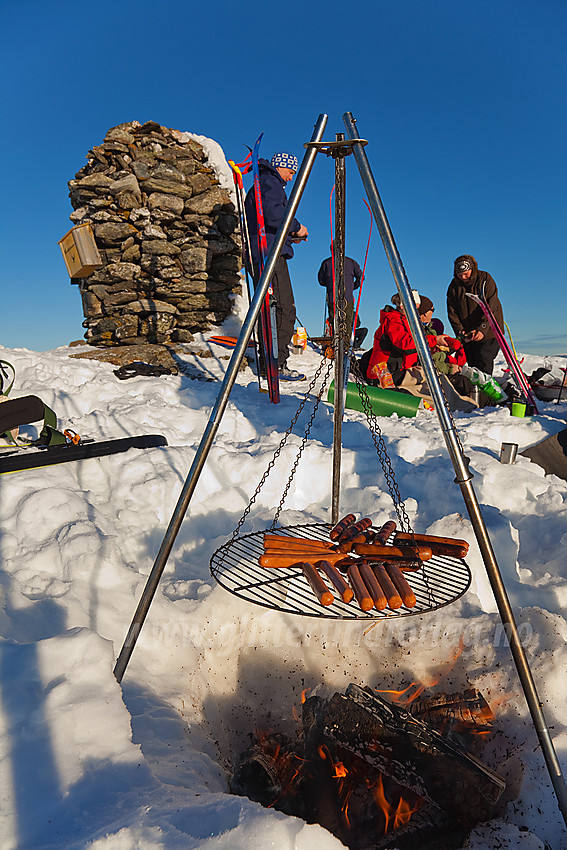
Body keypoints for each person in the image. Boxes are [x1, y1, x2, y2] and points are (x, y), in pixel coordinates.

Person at [244, 151, 308, 381]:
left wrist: (290, 236)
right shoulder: (270, 183)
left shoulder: (263, 183)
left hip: (264, 250)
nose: (291, 178)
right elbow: (273, 214)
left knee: (271, 309)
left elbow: (267, 219)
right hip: (269, 254)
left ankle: (269, 360)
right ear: (280, 167)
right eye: (290, 172)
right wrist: (297, 227)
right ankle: (276, 363)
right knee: (284, 308)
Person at [360, 291, 477, 412]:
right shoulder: (393, 321)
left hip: (398, 370)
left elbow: (411, 348)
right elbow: (405, 345)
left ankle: (461, 403)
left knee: (435, 377)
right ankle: (453, 406)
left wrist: (431, 348)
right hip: (384, 374)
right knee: (429, 384)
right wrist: (434, 340)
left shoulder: (404, 321)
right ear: (403, 306)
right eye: (414, 307)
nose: (416, 311)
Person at [446, 255, 504, 375]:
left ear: (472, 269)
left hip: (489, 331)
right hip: (469, 333)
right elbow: (452, 312)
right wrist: (460, 331)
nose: (463, 277)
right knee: (473, 363)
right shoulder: (454, 286)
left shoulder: (484, 279)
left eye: (466, 274)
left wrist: (482, 329)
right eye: (459, 274)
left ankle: (486, 391)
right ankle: (475, 390)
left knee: (484, 358)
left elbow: (491, 306)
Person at [318, 245, 367, 346]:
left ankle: (337, 347)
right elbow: (361, 277)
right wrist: (353, 286)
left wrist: (330, 284)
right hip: (347, 298)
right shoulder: (351, 262)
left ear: (331, 250)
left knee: (335, 322)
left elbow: (321, 280)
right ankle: (346, 347)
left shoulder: (326, 263)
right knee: (347, 323)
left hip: (333, 298)